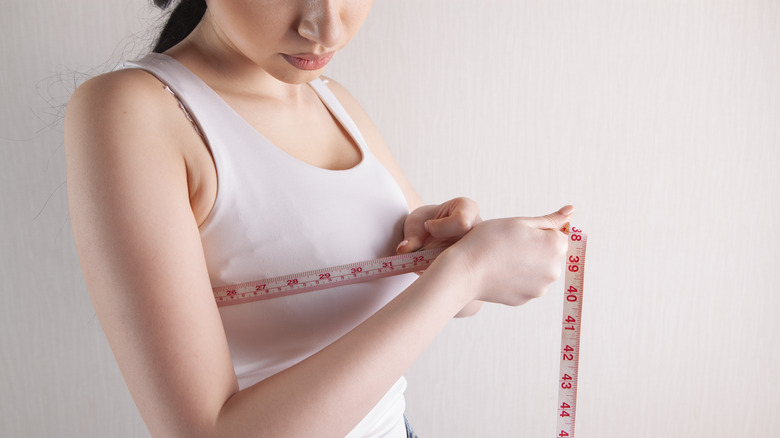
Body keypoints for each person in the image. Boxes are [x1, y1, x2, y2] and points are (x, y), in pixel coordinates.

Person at [64, 0, 573, 436]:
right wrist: (464, 275)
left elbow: (458, 303)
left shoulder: (332, 98)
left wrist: (443, 241)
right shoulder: (133, 109)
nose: (327, 28)